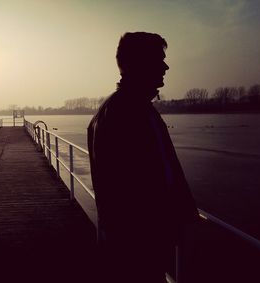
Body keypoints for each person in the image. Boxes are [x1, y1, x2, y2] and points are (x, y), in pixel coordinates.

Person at [87, 32, 199, 282]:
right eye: (159, 59)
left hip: (140, 243)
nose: (166, 66)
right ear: (137, 64)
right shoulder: (124, 114)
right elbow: (130, 191)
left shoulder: (133, 108)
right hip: (138, 247)